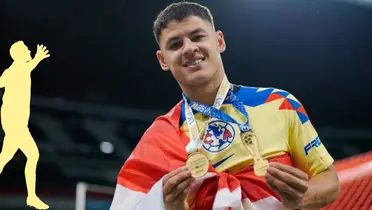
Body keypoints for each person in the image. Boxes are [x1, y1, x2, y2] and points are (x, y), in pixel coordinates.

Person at [110, 2, 340, 210]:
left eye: (198, 37)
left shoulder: (278, 103)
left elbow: (329, 180)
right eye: (176, 44)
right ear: (163, 60)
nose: (189, 48)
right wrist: (171, 207)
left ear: (219, 41)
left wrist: (303, 198)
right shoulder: (159, 138)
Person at [0, 41, 50, 210]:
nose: (29, 50)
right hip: (15, 124)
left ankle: (32, 196)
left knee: (6, 157)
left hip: (17, 124)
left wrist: (37, 59)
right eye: (26, 50)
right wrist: (38, 57)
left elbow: (27, 68)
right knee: (32, 155)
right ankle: (32, 197)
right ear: (20, 55)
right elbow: (24, 69)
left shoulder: (17, 70)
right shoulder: (15, 70)